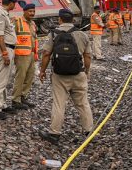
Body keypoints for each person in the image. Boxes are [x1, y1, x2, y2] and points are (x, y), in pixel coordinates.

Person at [38, 9, 93, 145]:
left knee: (59, 104)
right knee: (83, 103)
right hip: (78, 73)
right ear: (72, 20)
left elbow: (46, 54)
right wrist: (86, 71)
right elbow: (88, 55)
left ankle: (54, 133)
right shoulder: (82, 34)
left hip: (59, 75)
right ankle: (88, 132)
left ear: (60, 19)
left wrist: (42, 71)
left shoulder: (53, 34)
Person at [0, 0, 18, 119]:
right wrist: (5, 53)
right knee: (0, 80)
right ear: (11, 3)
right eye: (14, 3)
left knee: (5, 79)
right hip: (5, 48)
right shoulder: (0, 15)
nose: (15, 6)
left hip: (8, 48)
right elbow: (0, 36)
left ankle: (3, 105)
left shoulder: (5, 14)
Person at [11, 3, 39, 110]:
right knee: (20, 77)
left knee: (30, 76)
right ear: (24, 11)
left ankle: (23, 96)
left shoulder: (33, 24)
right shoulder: (17, 21)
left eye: (33, 11)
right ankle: (15, 100)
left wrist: (35, 53)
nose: (32, 13)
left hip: (31, 54)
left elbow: (34, 39)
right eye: (30, 11)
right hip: (21, 54)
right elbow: (11, 36)